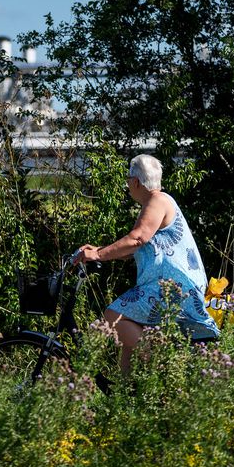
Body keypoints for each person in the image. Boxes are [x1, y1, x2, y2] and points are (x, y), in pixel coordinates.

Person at [75, 154, 220, 375]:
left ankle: (164, 371)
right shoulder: (156, 203)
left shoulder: (157, 201)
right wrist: (97, 251)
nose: (128, 185)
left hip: (174, 288)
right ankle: (125, 394)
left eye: (127, 180)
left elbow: (137, 238)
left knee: (115, 316)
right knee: (128, 341)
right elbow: (136, 247)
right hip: (173, 287)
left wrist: (99, 255)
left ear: (135, 182)